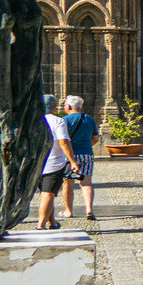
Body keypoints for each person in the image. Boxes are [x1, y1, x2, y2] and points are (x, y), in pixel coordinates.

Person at [36, 94, 78, 230]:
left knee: (46, 193)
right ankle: (40, 225)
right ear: (54, 107)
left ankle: (52, 221)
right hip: (53, 163)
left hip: (36, 164)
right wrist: (72, 161)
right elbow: (63, 142)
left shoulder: (34, 121)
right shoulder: (57, 121)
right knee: (48, 194)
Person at [61, 95, 99, 221]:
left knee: (68, 183)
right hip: (86, 154)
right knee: (86, 183)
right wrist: (88, 145)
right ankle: (89, 210)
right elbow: (95, 137)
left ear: (69, 106)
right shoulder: (89, 119)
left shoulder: (64, 120)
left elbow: (62, 140)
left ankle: (68, 211)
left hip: (69, 156)